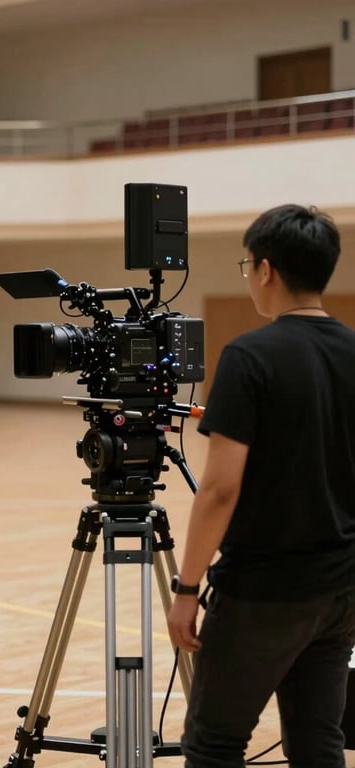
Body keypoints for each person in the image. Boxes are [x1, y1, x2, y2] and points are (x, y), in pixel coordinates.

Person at [167, 204, 355, 767]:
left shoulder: (251, 357)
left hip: (264, 591)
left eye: (245, 264)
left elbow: (220, 489)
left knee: (214, 743)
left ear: (266, 269)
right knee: (318, 737)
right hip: (342, 587)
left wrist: (185, 589)